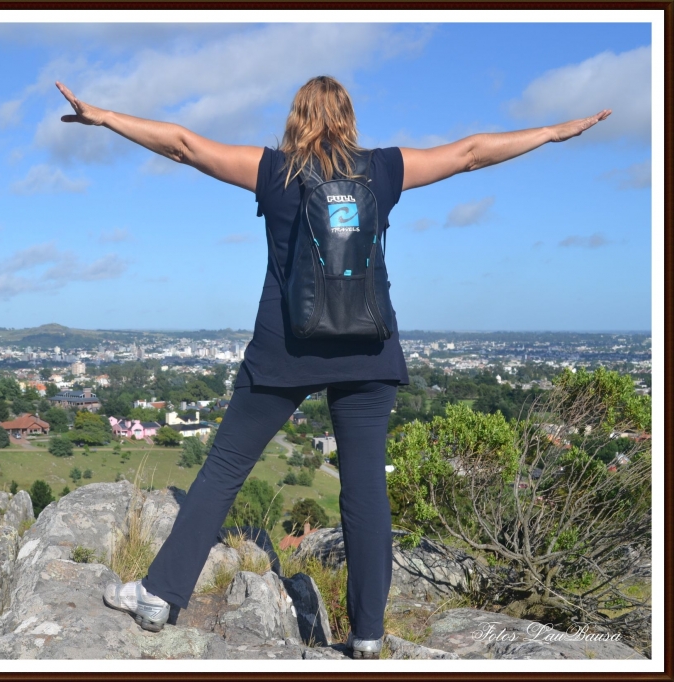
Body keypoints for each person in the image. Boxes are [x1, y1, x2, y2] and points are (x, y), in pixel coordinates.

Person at [57, 76, 610, 658]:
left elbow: (183, 145)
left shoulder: (275, 171)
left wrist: (104, 117)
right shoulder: (383, 170)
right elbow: (470, 153)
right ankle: (367, 636)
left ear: (296, 116)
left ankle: (158, 596)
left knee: (222, 471)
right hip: (369, 350)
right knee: (366, 492)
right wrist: (550, 131)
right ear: (348, 116)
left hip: (284, 349)